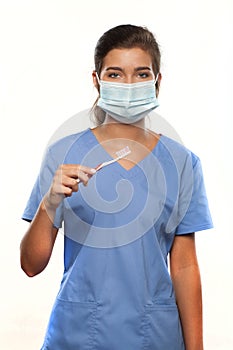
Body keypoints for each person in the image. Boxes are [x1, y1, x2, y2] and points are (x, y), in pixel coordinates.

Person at [20, 24, 213, 350]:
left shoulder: (182, 163)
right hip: (77, 334)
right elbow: (30, 265)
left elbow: (183, 266)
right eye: (114, 74)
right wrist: (49, 203)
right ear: (96, 81)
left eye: (140, 74)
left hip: (154, 335)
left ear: (157, 82)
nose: (128, 84)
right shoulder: (63, 155)